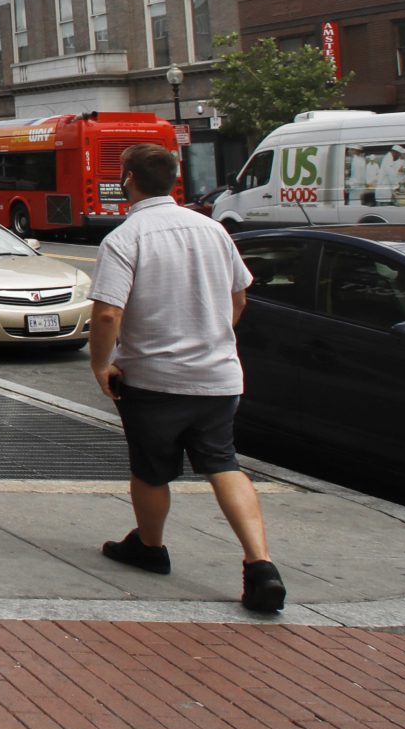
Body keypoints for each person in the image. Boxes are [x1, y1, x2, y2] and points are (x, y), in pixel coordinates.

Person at [88, 141, 284, 614]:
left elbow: (109, 312)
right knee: (224, 463)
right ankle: (261, 565)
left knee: (151, 469)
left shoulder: (126, 237)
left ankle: (150, 547)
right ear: (174, 178)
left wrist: (101, 364)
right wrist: (213, 338)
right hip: (218, 377)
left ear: (128, 180)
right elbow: (239, 298)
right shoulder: (214, 230)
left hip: (154, 380)